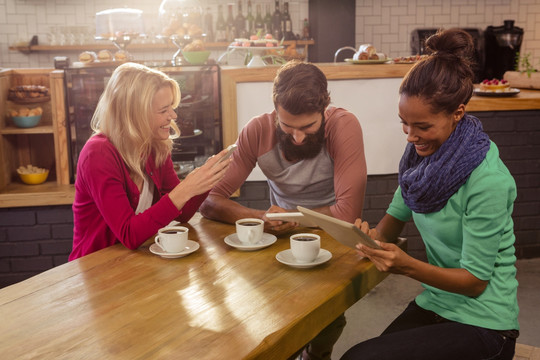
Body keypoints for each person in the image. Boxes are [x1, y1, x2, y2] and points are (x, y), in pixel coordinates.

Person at [341, 29, 519, 360]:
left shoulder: (488, 180)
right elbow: (387, 230)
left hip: (486, 324)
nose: (411, 137)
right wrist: (369, 240)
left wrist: (406, 265)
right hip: (436, 304)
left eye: (422, 127)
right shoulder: (417, 166)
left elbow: (475, 281)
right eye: (405, 124)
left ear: (458, 113)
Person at [200, 60, 368, 360]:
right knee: (276, 317)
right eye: (287, 125)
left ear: (324, 108)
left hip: (330, 233)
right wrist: (261, 218)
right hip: (279, 231)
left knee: (327, 318)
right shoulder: (257, 130)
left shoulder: (343, 125)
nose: (298, 137)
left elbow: (346, 214)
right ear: (275, 110)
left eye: (308, 126)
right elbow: (209, 200)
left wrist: (290, 218)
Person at [70, 63, 231, 261]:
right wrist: (186, 189)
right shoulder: (98, 154)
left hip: (134, 262)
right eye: (164, 110)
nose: (173, 116)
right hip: (95, 267)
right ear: (134, 115)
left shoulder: (154, 147)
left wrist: (206, 179)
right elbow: (129, 234)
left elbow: (179, 216)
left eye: (171, 108)